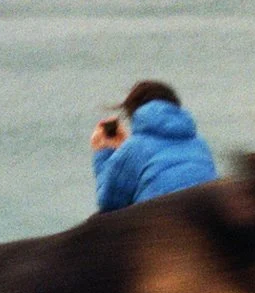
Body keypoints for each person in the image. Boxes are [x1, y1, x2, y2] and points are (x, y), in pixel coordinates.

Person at [90, 80, 218, 210]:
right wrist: (123, 150)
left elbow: (108, 203)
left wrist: (103, 153)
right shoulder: (200, 144)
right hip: (208, 218)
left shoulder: (134, 148)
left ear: (135, 114)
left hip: (163, 222)